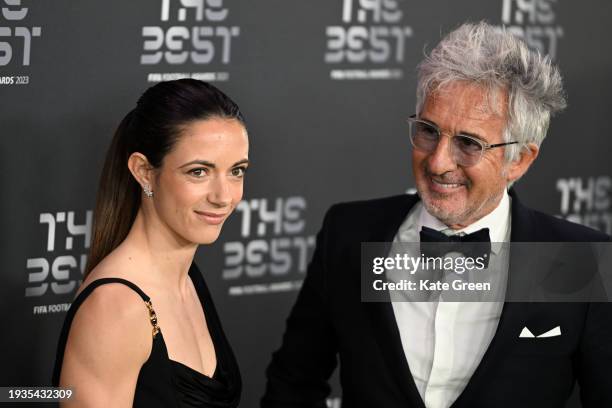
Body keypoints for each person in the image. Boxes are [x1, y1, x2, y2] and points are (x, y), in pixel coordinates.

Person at [261, 22, 612, 408]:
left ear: (520, 160)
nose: (439, 162)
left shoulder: (580, 259)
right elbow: (293, 382)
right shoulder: (350, 234)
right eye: (428, 131)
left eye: (468, 143)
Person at [52, 79, 248, 407]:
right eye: (199, 172)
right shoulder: (116, 308)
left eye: (237, 171)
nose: (223, 197)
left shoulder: (188, 280)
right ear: (144, 171)